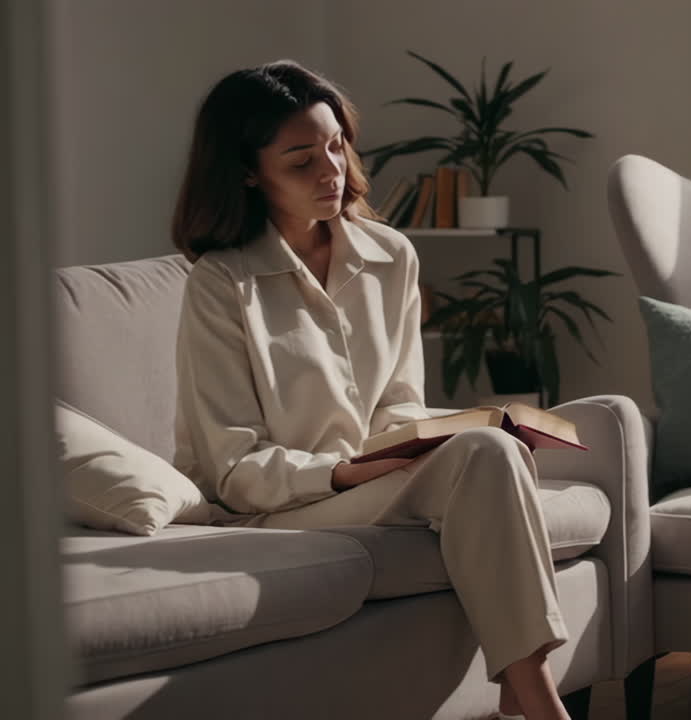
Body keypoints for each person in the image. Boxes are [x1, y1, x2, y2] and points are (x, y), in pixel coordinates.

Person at [170, 59, 570, 720]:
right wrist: (346, 471)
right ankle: (538, 703)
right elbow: (234, 469)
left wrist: (423, 438)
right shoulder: (221, 283)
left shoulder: (391, 256)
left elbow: (397, 402)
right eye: (301, 160)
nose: (331, 170)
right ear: (248, 172)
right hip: (282, 504)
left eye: (336, 145)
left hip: (374, 481)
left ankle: (524, 694)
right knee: (485, 461)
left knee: (493, 450)